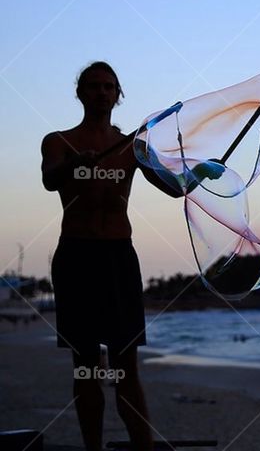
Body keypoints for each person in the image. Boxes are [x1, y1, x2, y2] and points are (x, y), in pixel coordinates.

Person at [41, 61, 223, 451]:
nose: (101, 93)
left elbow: (175, 187)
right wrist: (75, 164)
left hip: (118, 257)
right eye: (93, 86)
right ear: (80, 93)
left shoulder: (133, 146)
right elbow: (49, 178)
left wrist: (202, 172)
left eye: (108, 87)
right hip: (76, 257)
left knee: (127, 367)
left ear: (118, 95)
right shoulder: (58, 140)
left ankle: (143, 447)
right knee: (86, 365)